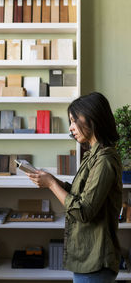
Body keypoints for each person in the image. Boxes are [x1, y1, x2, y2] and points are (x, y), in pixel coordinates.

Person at [26, 92, 122, 283]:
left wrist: (52, 185)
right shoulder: (92, 156)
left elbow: (84, 211)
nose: (70, 128)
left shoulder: (104, 160)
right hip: (87, 258)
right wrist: (54, 181)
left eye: (73, 120)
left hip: (95, 262)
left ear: (91, 117)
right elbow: (82, 195)